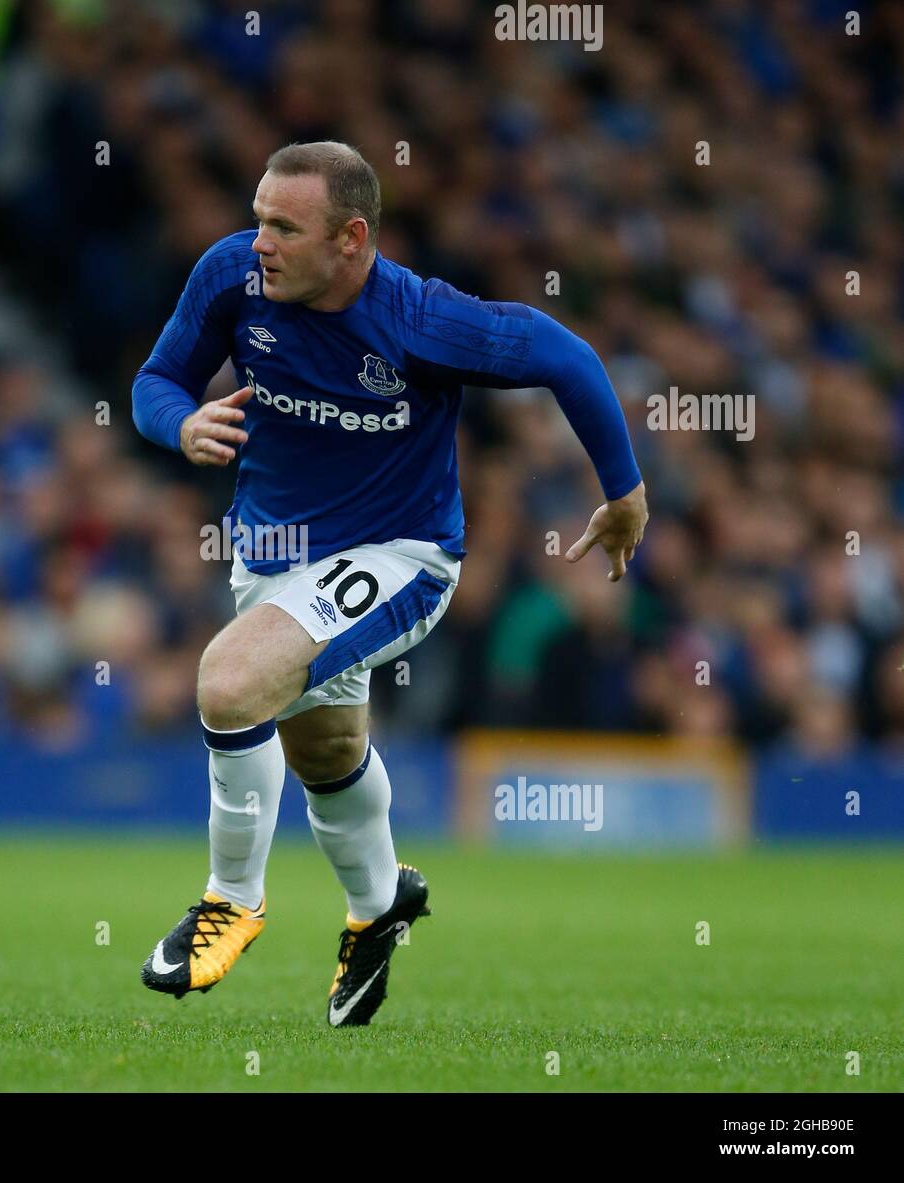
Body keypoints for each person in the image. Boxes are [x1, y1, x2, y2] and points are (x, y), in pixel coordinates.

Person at [131, 141, 648, 1026]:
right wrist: (180, 425)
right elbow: (156, 381)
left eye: (283, 228)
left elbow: (567, 356)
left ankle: (232, 902)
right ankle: (378, 910)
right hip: (274, 555)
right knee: (323, 752)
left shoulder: (422, 322)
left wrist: (626, 489)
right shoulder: (231, 276)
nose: (259, 242)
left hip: (402, 554)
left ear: (351, 240)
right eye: (258, 217)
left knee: (229, 681)